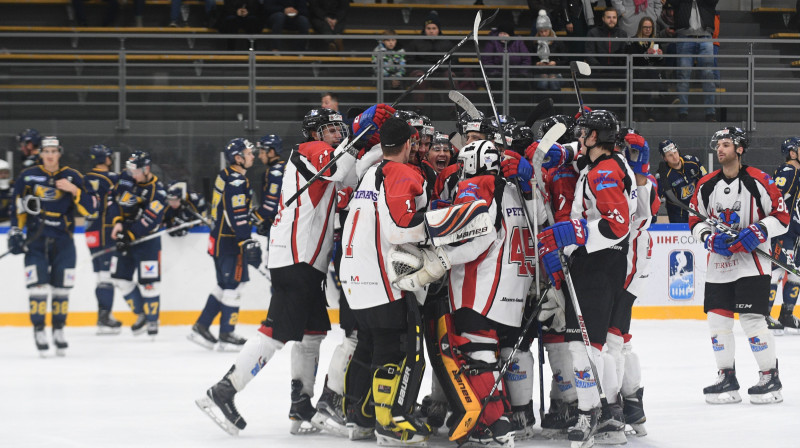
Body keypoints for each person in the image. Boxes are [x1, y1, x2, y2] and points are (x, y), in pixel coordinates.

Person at [195, 104, 394, 436]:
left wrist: (369, 141)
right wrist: (360, 134)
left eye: (339, 129)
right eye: (331, 130)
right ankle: (223, 390)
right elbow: (338, 167)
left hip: (306, 262)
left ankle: (301, 405)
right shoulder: (308, 150)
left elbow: (350, 172)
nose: (337, 134)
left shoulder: (329, 153)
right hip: (295, 259)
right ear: (316, 133)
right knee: (275, 331)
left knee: (313, 333)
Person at [536, 110, 636, 445]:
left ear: (595, 138)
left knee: (582, 348)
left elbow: (617, 225)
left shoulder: (605, 170)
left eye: (584, 133)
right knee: (597, 346)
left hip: (598, 263)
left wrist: (574, 232)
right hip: (601, 262)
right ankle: (609, 414)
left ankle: (590, 412)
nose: (579, 138)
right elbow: (574, 159)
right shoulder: (601, 165)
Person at [338, 117, 435, 445]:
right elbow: (399, 229)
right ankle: (387, 422)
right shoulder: (401, 172)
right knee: (392, 347)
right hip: (377, 276)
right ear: (409, 143)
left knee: (367, 342)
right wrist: (435, 224)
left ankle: (359, 417)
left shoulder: (370, 172)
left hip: (352, 275)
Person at [690, 127, 788, 405]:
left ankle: (770, 377)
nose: (719, 149)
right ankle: (727, 377)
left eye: (726, 144)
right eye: (718, 145)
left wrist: (758, 231)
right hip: (719, 266)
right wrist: (709, 239)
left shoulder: (759, 180)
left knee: (752, 320)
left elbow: (782, 217)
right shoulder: (707, 184)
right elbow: (696, 221)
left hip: (752, 265)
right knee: (717, 322)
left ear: (740, 149)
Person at [8, 136, 95, 356]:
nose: (49, 155)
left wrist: (74, 190)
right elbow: (16, 206)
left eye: (53, 151)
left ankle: (58, 330)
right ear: (41, 154)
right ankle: (39, 329)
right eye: (46, 151)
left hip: (64, 242)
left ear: (59, 153)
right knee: (37, 287)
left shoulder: (73, 176)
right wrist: (16, 232)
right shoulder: (27, 176)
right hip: (35, 241)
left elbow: (90, 210)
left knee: (62, 289)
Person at [188, 138, 258, 352]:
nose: (252, 156)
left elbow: (226, 210)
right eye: (248, 153)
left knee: (223, 285)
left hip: (218, 240)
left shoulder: (224, 175)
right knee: (234, 286)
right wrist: (245, 239)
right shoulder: (237, 181)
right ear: (238, 158)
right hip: (230, 243)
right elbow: (235, 214)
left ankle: (202, 326)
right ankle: (227, 333)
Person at [110, 151, 168, 337]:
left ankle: (152, 321)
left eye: (136, 171)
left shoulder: (158, 191)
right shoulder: (126, 178)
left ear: (147, 169)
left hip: (147, 242)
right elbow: (113, 200)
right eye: (131, 170)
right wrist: (117, 222)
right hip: (125, 238)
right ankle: (141, 315)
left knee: (149, 283)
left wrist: (129, 235)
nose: (132, 174)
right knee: (120, 278)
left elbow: (149, 219)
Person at [84, 144, 123, 334]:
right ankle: (105, 317)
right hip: (107, 231)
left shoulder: (83, 179)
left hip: (90, 232)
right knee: (107, 275)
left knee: (100, 275)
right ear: (105, 159)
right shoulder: (112, 178)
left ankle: (103, 315)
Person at [767, 136, 800, 334]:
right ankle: (765, 314)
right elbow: (775, 197)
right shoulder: (788, 170)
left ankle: (786, 314)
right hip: (783, 231)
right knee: (777, 271)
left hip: (795, 233)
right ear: (792, 153)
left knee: (795, 274)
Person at [674, 0, 718, 122]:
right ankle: (682, 113)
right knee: (683, 74)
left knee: (708, 75)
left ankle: (710, 113)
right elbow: (672, 2)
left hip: (705, 37)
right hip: (684, 36)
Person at [654, 139, 706, 223]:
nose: (674, 157)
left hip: (698, 209)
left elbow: (706, 182)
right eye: (670, 155)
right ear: (665, 158)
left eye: (675, 152)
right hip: (678, 216)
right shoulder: (663, 176)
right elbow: (657, 199)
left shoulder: (692, 162)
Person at [585, 8, 629, 96]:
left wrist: (618, 68)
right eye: (609, 17)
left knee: (628, 81)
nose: (611, 20)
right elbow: (589, 54)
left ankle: (623, 109)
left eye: (614, 17)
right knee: (603, 89)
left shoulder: (622, 34)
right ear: (603, 18)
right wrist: (599, 68)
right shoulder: (593, 33)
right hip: (599, 72)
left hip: (617, 71)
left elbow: (624, 54)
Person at [629, 16, 665, 121]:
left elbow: (662, 63)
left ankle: (650, 112)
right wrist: (645, 53)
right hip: (638, 73)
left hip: (652, 74)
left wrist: (660, 56)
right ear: (640, 28)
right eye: (645, 27)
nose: (648, 29)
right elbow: (633, 60)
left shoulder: (656, 41)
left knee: (652, 74)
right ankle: (664, 97)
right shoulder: (634, 41)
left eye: (650, 27)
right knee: (650, 75)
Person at [531, 11, 566, 92]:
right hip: (539, 72)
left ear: (550, 30)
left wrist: (555, 63)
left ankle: (556, 103)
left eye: (545, 31)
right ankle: (543, 103)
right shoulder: (534, 42)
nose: (543, 34)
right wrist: (537, 64)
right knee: (543, 81)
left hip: (555, 71)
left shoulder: (557, 42)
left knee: (553, 81)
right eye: (541, 31)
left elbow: (565, 60)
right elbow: (530, 60)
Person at [0, 159, 12, 223]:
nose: (3, 175)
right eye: (1, 173)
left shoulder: (14, 186)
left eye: (6, 172)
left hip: (10, 222)